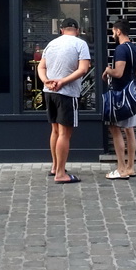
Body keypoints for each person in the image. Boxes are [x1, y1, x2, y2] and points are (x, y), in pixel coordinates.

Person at [38, 17, 91, 184]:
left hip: (49, 92)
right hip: (67, 93)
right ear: (77, 30)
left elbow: (41, 66)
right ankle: (60, 173)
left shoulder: (51, 44)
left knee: (54, 131)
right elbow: (83, 69)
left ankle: (55, 166)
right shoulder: (80, 44)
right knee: (64, 134)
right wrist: (63, 82)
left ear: (61, 30)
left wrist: (46, 81)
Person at [102, 18, 136, 180]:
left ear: (118, 31)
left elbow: (118, 73)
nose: (112, 34)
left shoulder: (120, 50)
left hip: (120, 95)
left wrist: (107, 71)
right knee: (130, 130)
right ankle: (130, 167)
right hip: (132, 94)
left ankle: (121, 169)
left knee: (114, 128)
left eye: (113, 31)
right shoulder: (135, 49)